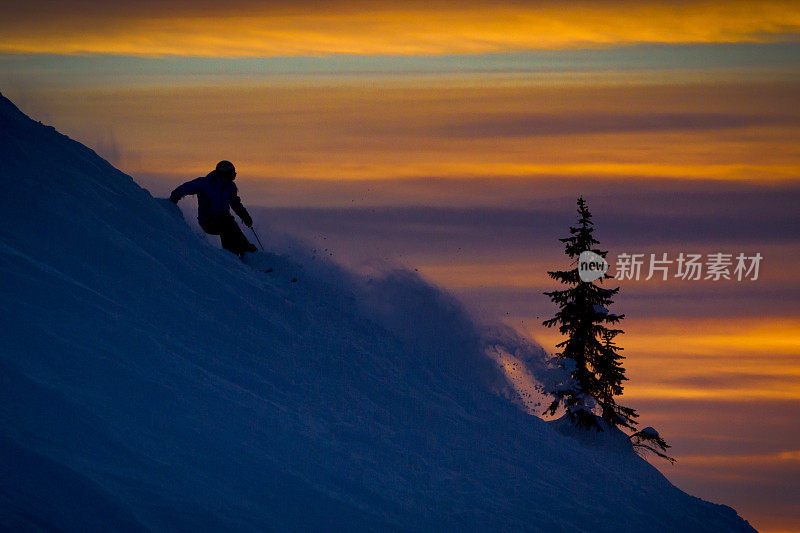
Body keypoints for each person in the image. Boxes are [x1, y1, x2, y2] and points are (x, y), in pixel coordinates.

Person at [170, 160, 258, 257]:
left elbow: (235, 204)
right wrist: (174, 197)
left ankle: (245, 250)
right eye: (231, 176)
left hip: (224, 219)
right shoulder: (205, 184)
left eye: (234, 175)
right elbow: (185, 188)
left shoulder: (230, 187)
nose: (232, 179)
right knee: (227, 225)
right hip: (208, 221)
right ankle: (232, 254)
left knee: (231, 224)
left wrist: (245, 216)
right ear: (223, 175)